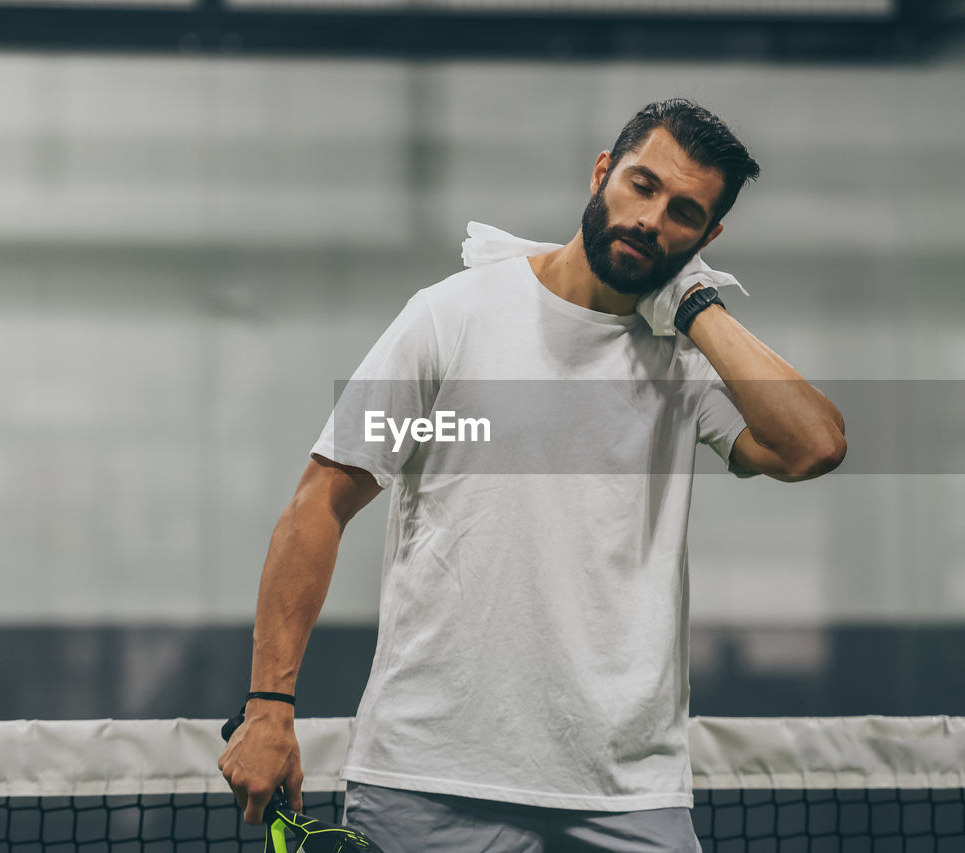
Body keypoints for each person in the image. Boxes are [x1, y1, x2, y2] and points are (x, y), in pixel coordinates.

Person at [218, 98, 846, 852]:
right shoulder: (452, 319)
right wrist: (267, 708)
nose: (652, 220)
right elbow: (319, 503)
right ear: (602, 172)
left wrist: (695, 303)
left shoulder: (686, 363)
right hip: (431, 777)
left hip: (627, 793)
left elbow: (814, 446)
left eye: (684, 211)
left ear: (708, 237)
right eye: (642, 186)